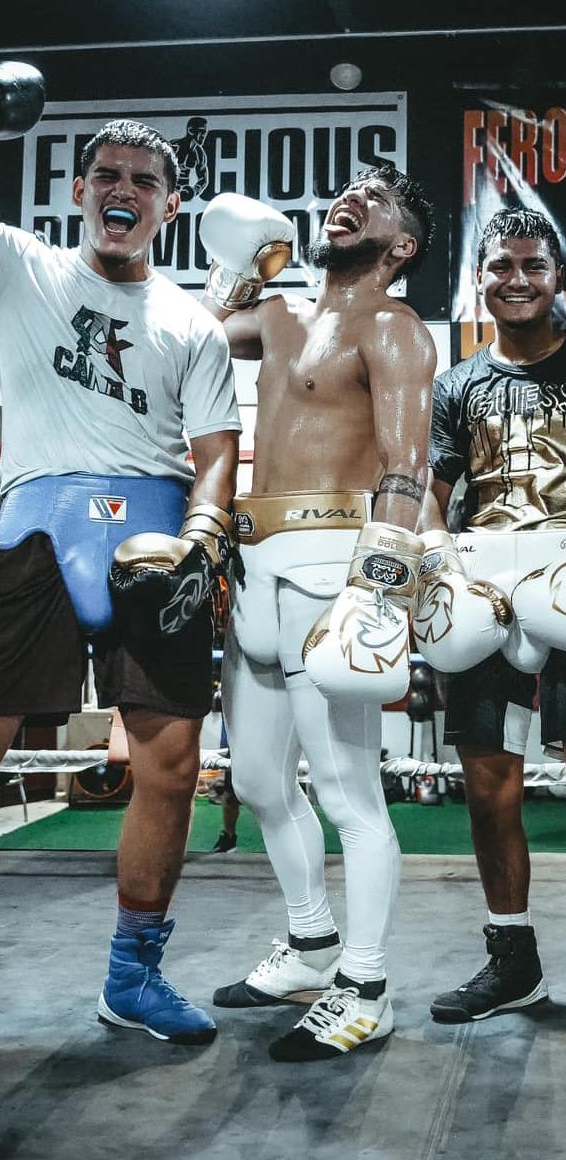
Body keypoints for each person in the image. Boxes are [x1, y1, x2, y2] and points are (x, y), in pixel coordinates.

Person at [0, 61, 243, 1074]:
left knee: (170, 769)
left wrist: (205, 537)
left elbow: (217, 454)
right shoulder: (15, 263)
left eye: (144, 180)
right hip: (34, 528)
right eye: (106, 174)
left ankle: (133, 975)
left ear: (168, 206)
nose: (123, 189)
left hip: (155, 537)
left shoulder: (192, 325)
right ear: (79, 190)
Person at [200, 168, 436, 1060]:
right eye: (350, 188)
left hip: (333, 569)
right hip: (254, 562)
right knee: (261, 780)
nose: (354, 197)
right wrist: (242, 264)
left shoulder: (394, 326)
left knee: (348, 794)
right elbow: (192, 337)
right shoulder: (279, 315)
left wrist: (378, 591)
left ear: (402, 245)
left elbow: (407, 462)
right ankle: (310, 944)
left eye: (378, 198)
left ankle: (366, 985)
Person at [414, 207, 565, 1022]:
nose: (517, 278)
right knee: (487, 779)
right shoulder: (456, 384)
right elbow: (430, 496)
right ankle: (513, 960)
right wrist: (439, 567)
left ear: (557, 275)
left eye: (533, 264)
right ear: (480, 278)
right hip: (487, 583)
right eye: (502, 265)